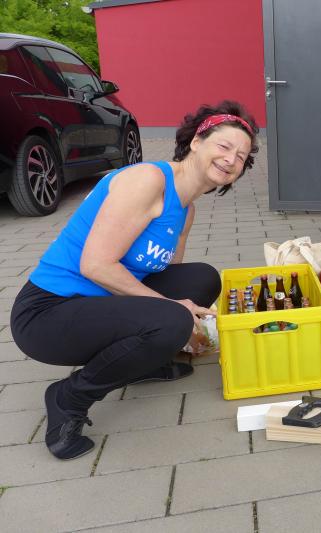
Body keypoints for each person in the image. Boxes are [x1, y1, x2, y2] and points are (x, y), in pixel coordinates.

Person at [10, 101, 259, 460]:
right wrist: (173, 314)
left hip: (100, 301)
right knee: (172, 318)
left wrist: (177, 326)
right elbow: (96, 265)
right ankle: (69, 398)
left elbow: (166, 274)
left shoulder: (186, 209)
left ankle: (143, 362)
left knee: (202, 279)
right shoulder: (148, 180)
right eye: (224, 145)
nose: (231, 159)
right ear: (196, 142)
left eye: (241, 156)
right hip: (48, 313)